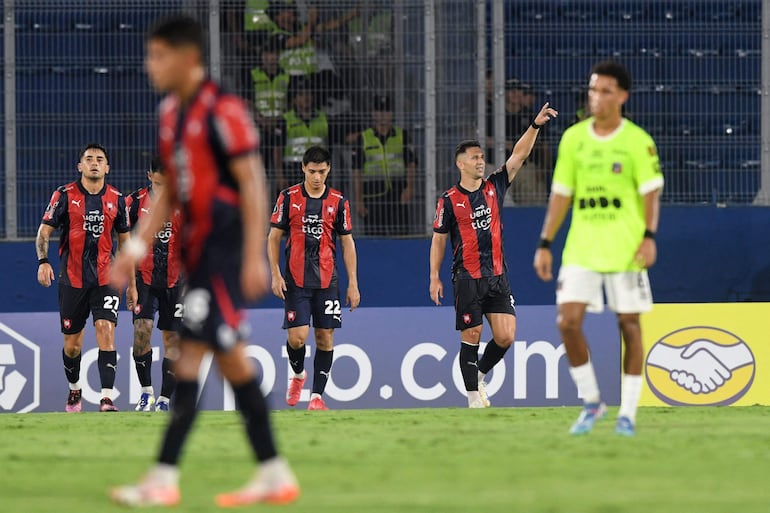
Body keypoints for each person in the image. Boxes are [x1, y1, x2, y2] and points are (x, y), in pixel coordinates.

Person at [110, 15, 299, 507]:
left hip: (225, 250)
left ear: (188, 58)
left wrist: (256, 254)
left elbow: (253, 181)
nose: (150, 66)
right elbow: (171, 190)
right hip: (198, 253)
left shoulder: (222, 109)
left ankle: (164, 478)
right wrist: (134, 247)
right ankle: (272, 472)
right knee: (220, 360)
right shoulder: (171, 114)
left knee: (192, 357)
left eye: (158, 56)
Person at [533, 60, 663, 436]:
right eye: (593, 90)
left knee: (629, 325)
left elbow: (651, 193)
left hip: (625, 249)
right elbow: (561, 196)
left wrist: (649, 236)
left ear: (622, 96)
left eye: (605, 91)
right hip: (582, 249)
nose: (597, 97)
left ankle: (628, 413)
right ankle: (592, 403)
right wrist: (545, 243)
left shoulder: (638, 141)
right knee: (567, 322)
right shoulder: (574, 139)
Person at [429, 103, 558, 408]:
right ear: (461, 164)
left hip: (497, 277)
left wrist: (535, 126)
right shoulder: (448, 201)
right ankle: (473, 398)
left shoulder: (494, 186)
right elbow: (438, 241)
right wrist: (434, 277)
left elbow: (519, 156)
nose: (481, 162)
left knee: (505, 336)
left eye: (482, 157)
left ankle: (480, 374)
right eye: (475, 158)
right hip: (467, 279)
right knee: (472, 333)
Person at [36, 143, 132, 413]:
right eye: (88, 159)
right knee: (73, 344)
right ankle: (74, 388)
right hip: (72, 279)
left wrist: (131, 283)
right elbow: (44, 232)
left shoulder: (117, 198)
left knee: (106, 331)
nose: (94, 163)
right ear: (79, 166)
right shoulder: (64, 195)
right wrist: (43, 262)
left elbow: (125, 244)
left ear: (107, 167)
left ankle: (106, 398)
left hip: (106, 279)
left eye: (99, 159)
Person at [268, 145, 360, 411]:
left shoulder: (339, 202)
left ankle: (317, 397)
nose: (317, 177)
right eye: (312, 171)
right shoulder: (288, 198)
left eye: (321, 171)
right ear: (303, 169)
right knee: (297, 338)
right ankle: (298, 375)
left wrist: (353, 282)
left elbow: (347, 243)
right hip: (295, 279)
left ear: (328, 169)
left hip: (327, 280)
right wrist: (275, 274)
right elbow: (273, 238)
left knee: (325, 337)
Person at [125, 155, 183, 412]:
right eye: (158, 184)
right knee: (142, 333)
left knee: (173, 339)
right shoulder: (134, 203)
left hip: (176, 281)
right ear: (149, 177)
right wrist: (131, 284)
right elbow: (125, 242)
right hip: (144, 279)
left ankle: (164, 400)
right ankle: (146, 392)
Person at [352, 94, 417, 236]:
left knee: (401, 237)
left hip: (397, 194)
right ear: (373, 113)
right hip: (373, 196)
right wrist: (358, 201)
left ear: (392, 113)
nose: (383, 115)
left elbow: (411, 163)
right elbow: (356, 171)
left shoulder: (402, 135)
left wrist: (409, 188)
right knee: (374, 239)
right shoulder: (364, 138)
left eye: (386, 110)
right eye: (379, 110)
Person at [273, 76, 328, 191]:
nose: (306, 98)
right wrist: (280, 176)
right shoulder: (285, 120)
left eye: (308, 94)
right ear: (295, 99)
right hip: (292, 172)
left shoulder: (323, 119)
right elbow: (277, 150)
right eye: (301, 95)